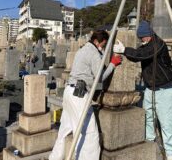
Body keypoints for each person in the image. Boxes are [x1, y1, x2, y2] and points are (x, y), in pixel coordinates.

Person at [49, 30, 122, 160]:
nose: (103, 47)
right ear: (96, 41)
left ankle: (55, 157)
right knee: (90, 132)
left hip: (69, 92)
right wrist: (112, 64)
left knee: (65, 129)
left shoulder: (82, 50)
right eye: (103, 45)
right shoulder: (94, 53)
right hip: (79, 96)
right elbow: (100, 77)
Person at [113, 20, 172, 160]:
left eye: (144, 37)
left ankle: (171, 154)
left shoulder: (158, 44)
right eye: (140, 38)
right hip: (150, 89)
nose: (142, 39)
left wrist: (124, 50)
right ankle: (150, 143)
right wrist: (126, 52)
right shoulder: (146, 45)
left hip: (165, 90)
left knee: (167, 123)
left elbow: (143, 55)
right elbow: (137, 55)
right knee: (148, 118)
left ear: (150, 34)